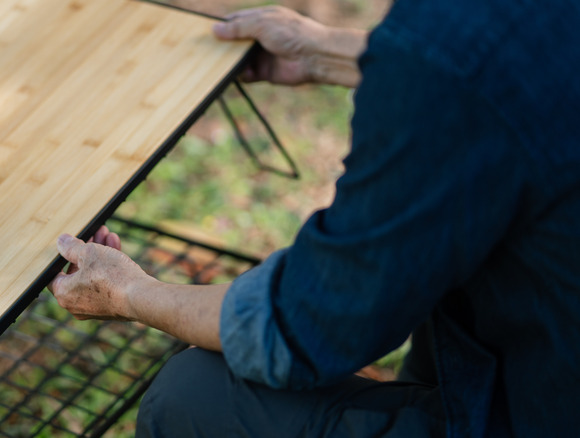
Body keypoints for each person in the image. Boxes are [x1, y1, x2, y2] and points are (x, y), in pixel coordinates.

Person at [49, 1, 580, 437]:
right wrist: (329, 51)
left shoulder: (446, 51)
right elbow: (524, 70)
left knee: (192, 395)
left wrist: (129, 293)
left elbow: (307, 325)